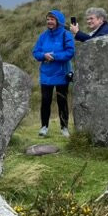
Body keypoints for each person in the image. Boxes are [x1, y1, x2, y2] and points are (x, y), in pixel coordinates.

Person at [32, 9, 75, 137]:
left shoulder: (66, 35)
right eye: (48, 19)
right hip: (46, 74)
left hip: (62, 73)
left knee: (62, 101)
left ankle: (64, 128)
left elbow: (70, 52)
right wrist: (43, 55)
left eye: (52, 19)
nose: (49, 22)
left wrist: (54, 56)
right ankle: (44, 127)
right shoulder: (43, 36)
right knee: (45, 101)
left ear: (58, 21)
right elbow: (35, 52)